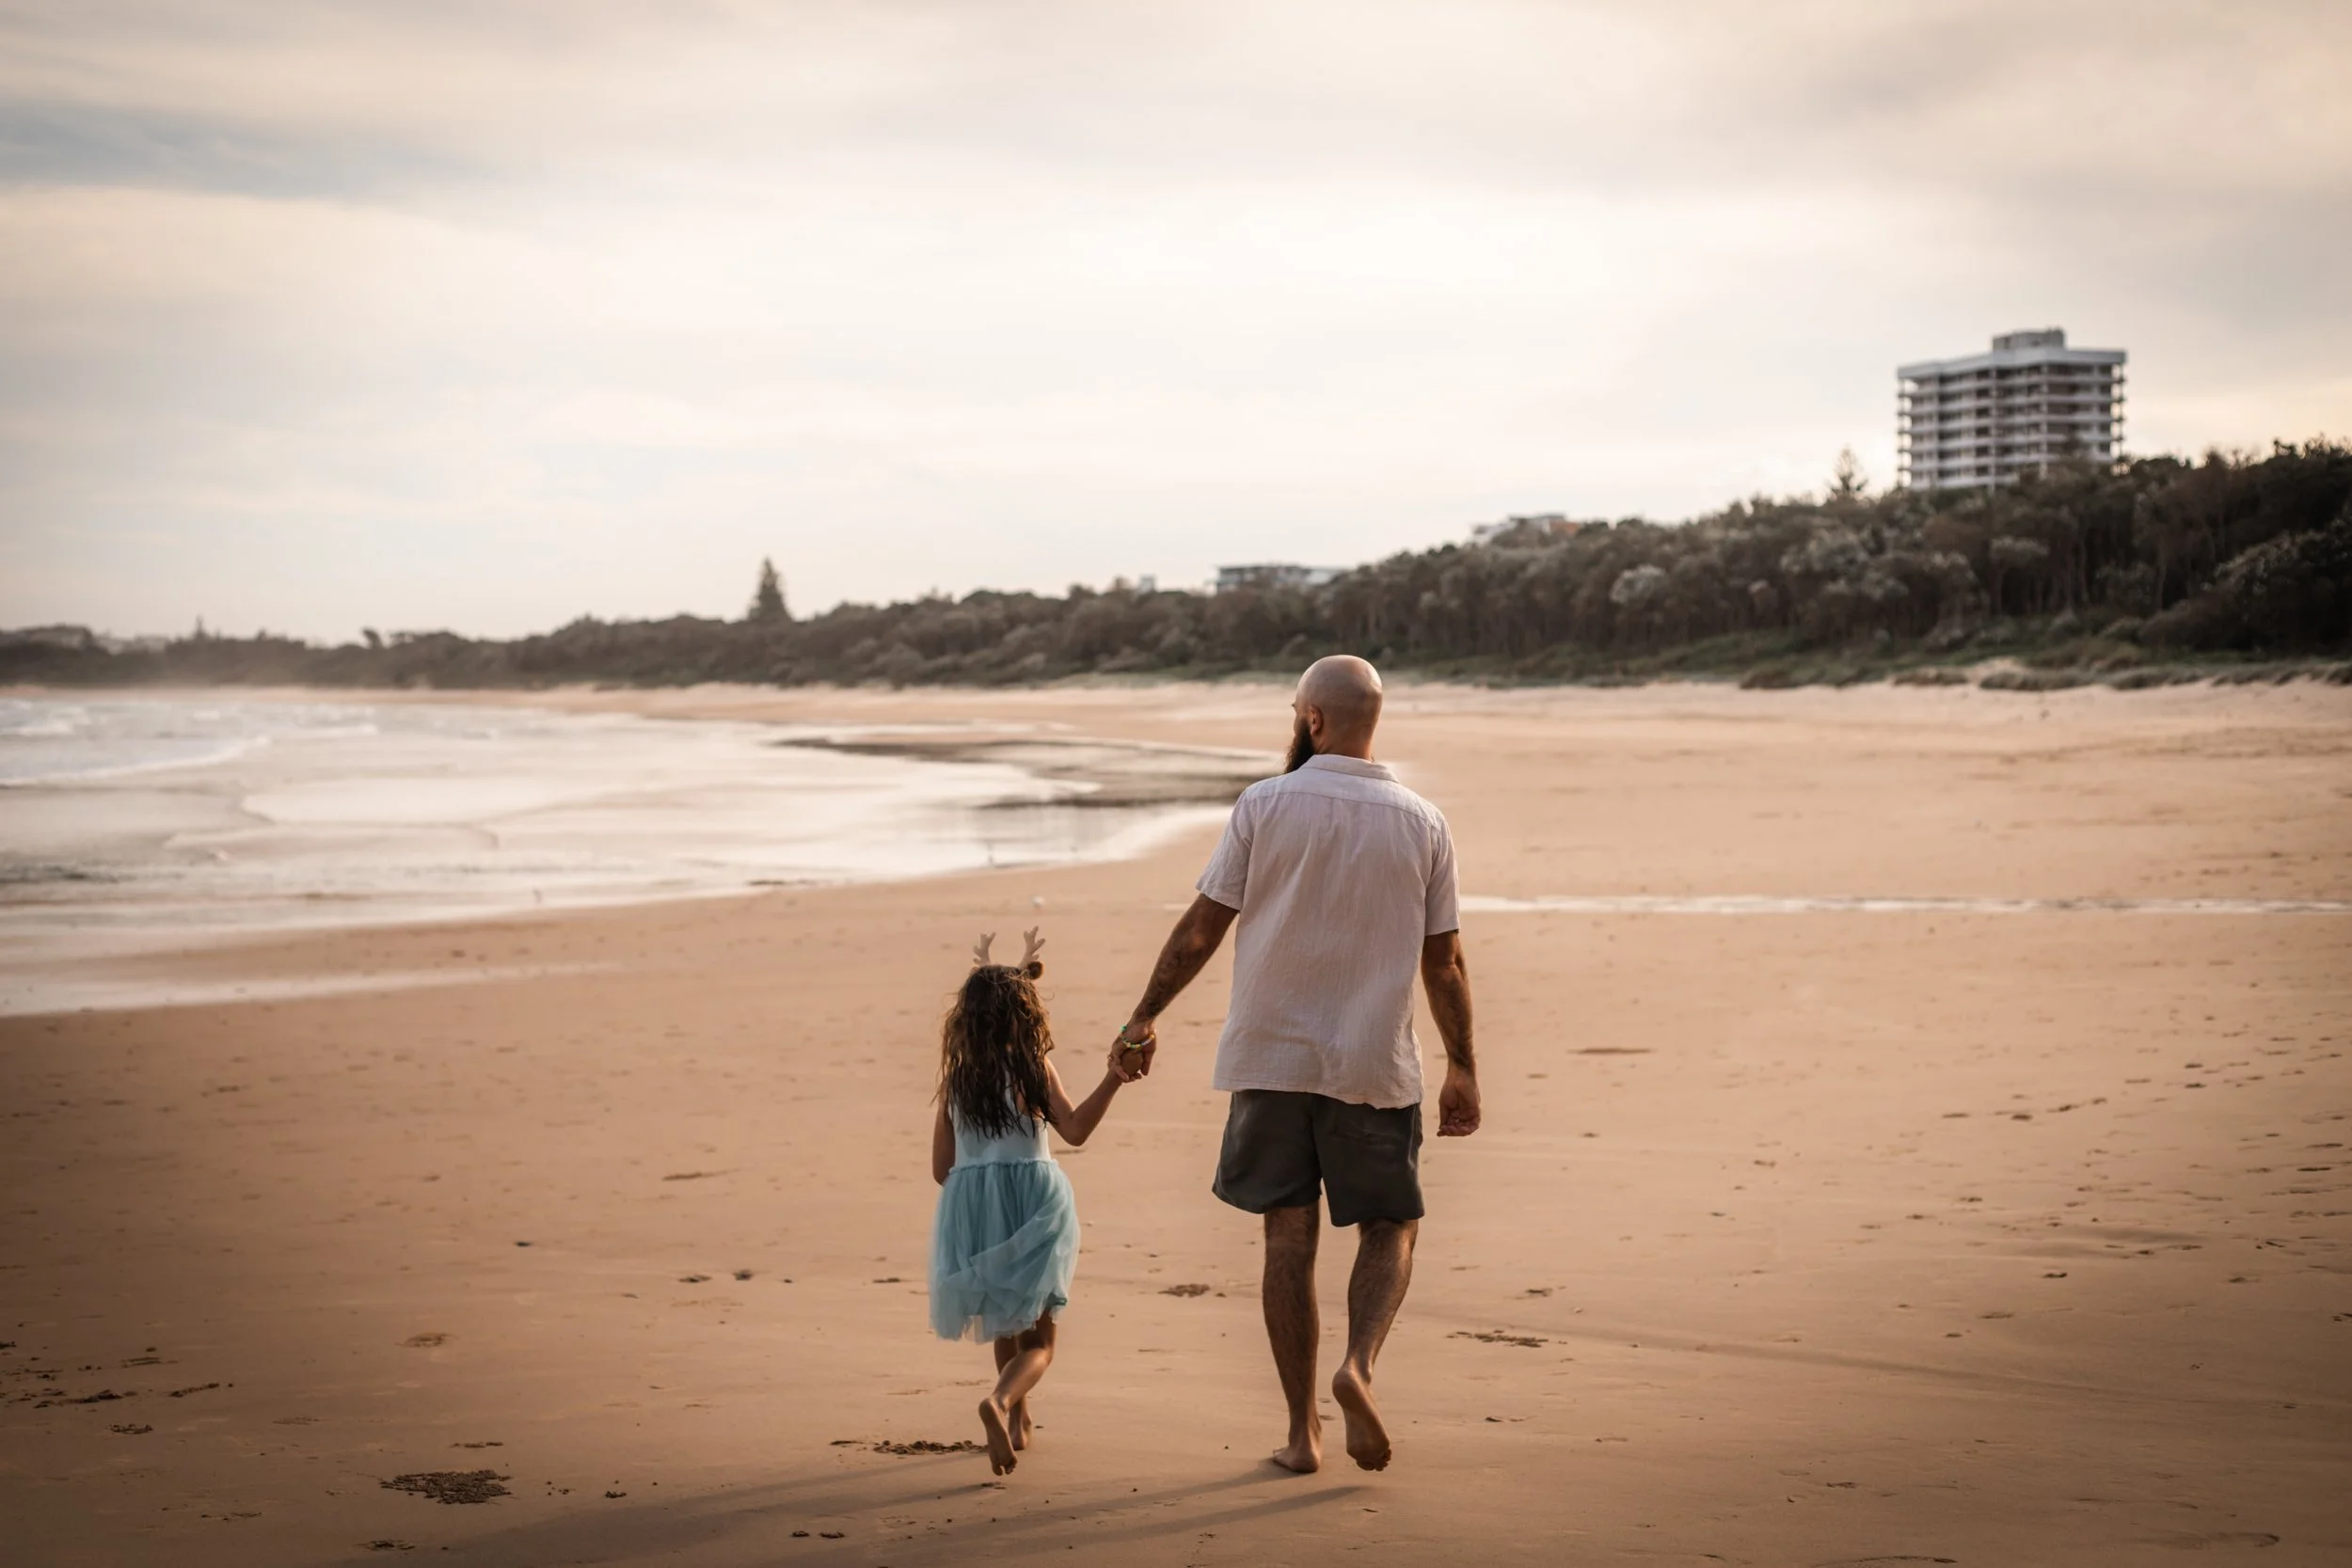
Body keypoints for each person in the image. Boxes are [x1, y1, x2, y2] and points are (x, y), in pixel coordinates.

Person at [1111, 654, 1479, 1474]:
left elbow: (1200, 930)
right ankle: (1358, 1367)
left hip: (1270, 1057)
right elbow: (1445, 961)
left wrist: (1143, 1016)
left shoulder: (1263, 804)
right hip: (1373, 1061)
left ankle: (1302, 1433)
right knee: (1390, 1225)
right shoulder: (1423, 821)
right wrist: (1462, 1064)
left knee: (1287, 1235)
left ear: (1313, 719)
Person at [928, 928, 1128, 1476]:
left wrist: (980, 1187)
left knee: (1002, 1321)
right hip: (1034, 1199)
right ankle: (1000, 1401)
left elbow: (942, 1170)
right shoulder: (1033, 1068)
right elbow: (1076, 1130)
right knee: (1039, 1342)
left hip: (974, 1205)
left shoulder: (957, 1081)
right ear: (1024, 1017)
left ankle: (1018, 1421)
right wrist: (1113, 1079)